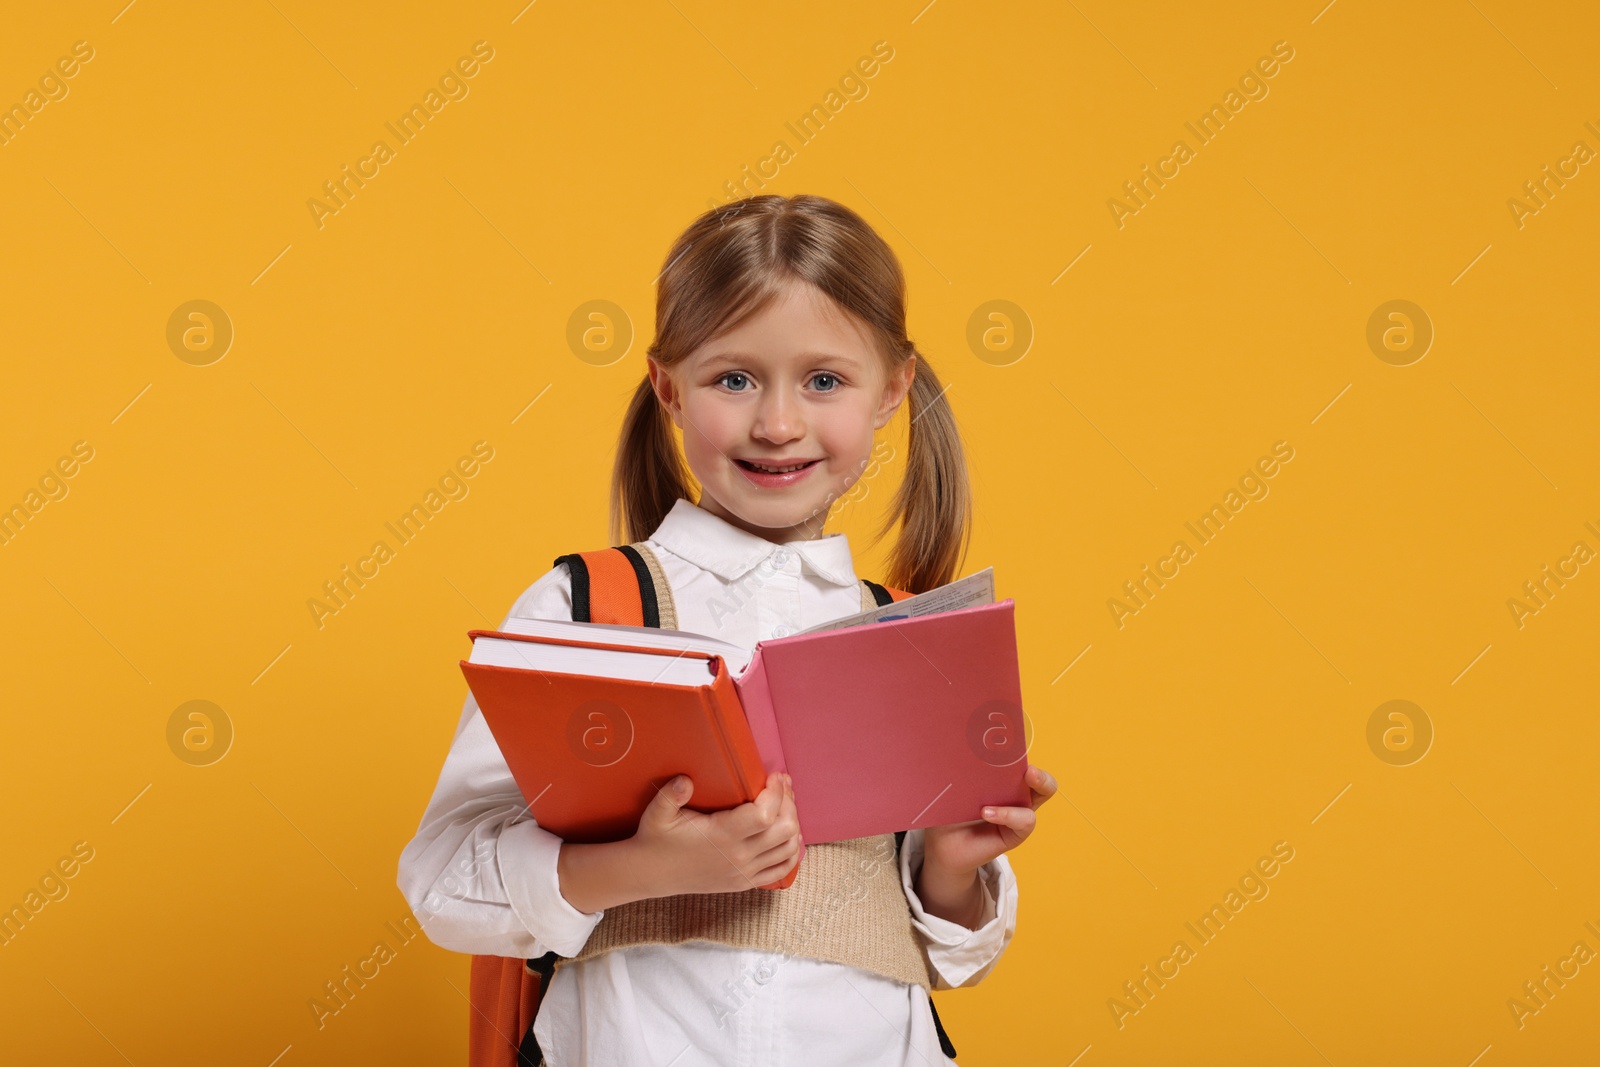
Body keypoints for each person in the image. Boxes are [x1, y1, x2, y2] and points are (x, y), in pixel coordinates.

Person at [397, 193, 1057, 1065]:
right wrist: (644, 868)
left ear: (892, 391)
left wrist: (952, 864)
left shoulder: (909, 638)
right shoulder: (584, 610)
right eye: (733, 378)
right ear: (669, 387)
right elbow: (443, 881)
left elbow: (946, 954)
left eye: (824, 381)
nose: (777, 423)